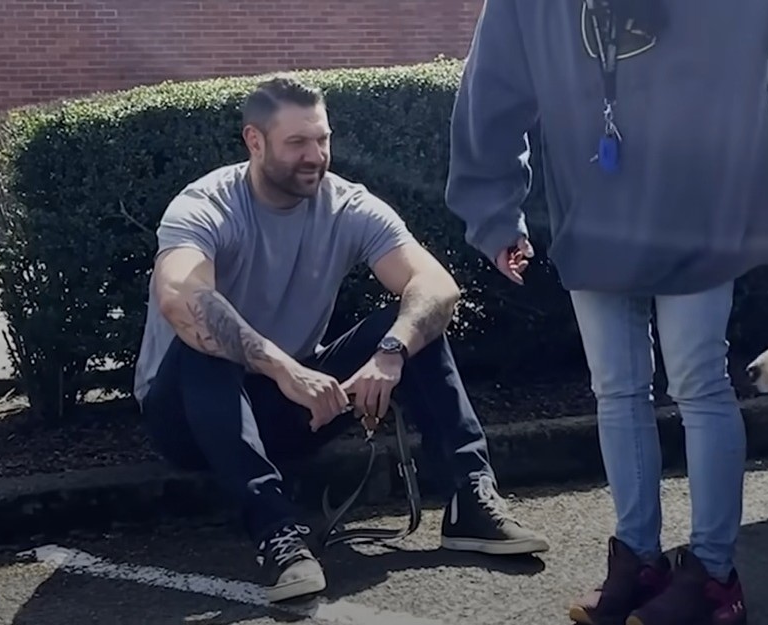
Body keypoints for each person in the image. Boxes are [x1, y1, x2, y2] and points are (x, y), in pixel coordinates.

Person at [445, 0, 768, 623]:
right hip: (595, 210)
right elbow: (491, 94)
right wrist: (494, 214)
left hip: (695, 211)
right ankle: (638, 562)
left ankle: (712, 576)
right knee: (616, 390)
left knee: (698, 384)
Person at [133, 75, 550, 604]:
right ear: (254, 141)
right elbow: (181, 297)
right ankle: (278, 533)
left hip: (289, 408)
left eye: (322, 139)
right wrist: (286, 368)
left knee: (414, 324)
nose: (314, 156)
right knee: (207, 333)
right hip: (188, 417)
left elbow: (437, 285)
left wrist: (391, 352)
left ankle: (470, 496)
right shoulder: (208, 204)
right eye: (297, 143)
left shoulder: (347, 205)